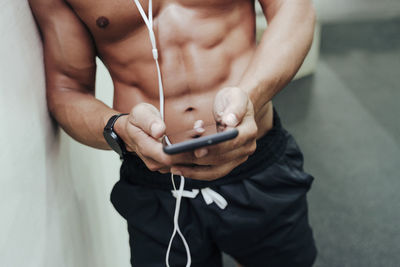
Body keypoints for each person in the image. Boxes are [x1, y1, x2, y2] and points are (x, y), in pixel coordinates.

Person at [29, 0, 317, 266]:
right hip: (156, 185)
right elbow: (67, 89)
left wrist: (250, 96)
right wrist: (120, 129)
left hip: (255, 158)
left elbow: (294, 11)